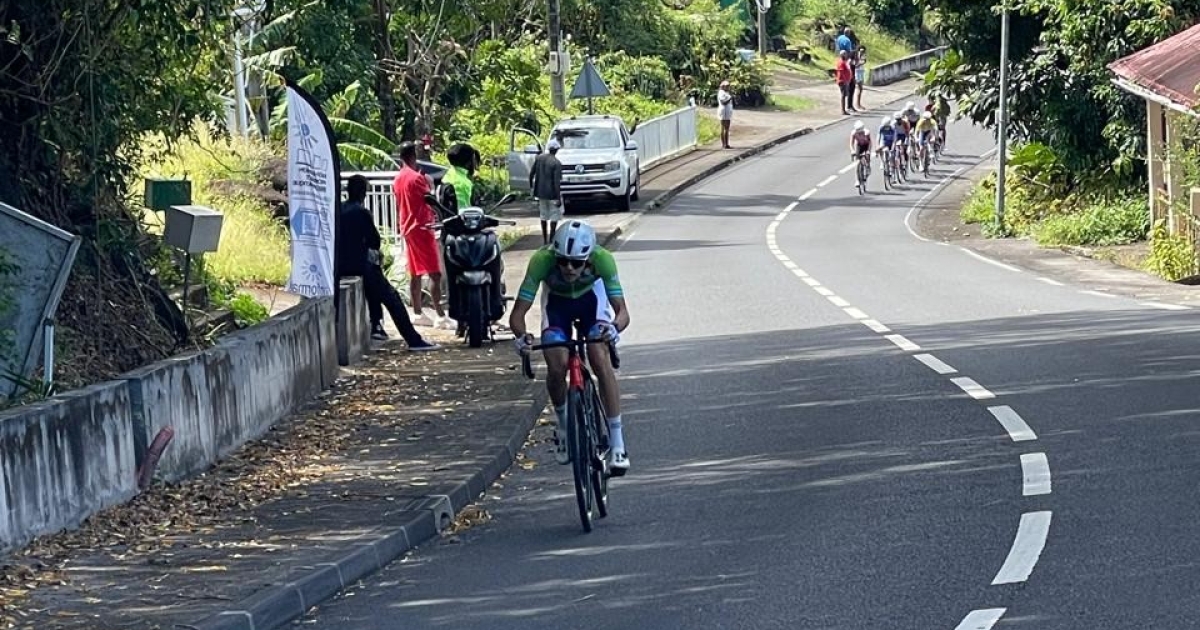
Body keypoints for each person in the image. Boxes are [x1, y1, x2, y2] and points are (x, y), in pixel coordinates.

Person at [509, 220, 631, 473]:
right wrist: (522, 336)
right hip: (557, 307)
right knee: (557, 364)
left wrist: (614, 328)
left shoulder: (603, 259)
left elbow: (621, 311)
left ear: (588, 259)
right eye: (563, 261)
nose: (568, 268)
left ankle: (618, 444)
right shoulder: (541, 261)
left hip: (591, 301)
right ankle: (564, 426)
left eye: (576, 263)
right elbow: (518, 313)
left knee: (599, 356)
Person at [337, 175, 439, 351]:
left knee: (374, 287)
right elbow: (375, 242)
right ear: (363, 193)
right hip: (359, 264)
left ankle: (377, 325)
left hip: (340, 265)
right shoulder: (361, 212)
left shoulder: (339, 209)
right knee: (392, 298)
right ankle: (413, 340)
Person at [392, 141, 452, 330]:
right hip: (422, 227)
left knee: (415, 273)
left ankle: (417, 312)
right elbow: (429, 199)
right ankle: (440, 316)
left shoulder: (398, 178)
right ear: (414, 155)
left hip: (408, 227)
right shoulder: (417, 179)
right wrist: (431, 186)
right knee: (434, 273)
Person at [530, 138, 564, 245]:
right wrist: (558, 198)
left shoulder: (539, 158)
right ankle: (551, 239)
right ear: (556, 150)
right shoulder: (557, 163)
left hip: (540, 193)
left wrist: (532, 188)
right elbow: (556, 183)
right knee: (554, 216)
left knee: (543, 215)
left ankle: (545, 240)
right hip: (552, 194)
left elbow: (531, 174)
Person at [442, 142, 477, 214]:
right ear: (468, 162)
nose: (475, 163)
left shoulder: (448, 174)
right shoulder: (463, 183)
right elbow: (466, 211)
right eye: (473, 159)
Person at [835, 51, 854, 115]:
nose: (846, 55)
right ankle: (843, 110)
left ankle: (844, 109)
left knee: (845, 95)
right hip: (842, 81)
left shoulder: (845, 62)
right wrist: (846, 81)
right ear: (842, 55)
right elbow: (841, 73)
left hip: (846, 81)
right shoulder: (841, 62)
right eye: (845, 54)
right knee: (843, 95)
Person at [716, 80, 734, 149]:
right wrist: (730, 98)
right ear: (723, 86)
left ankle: (727, 143)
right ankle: (724, 144)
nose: (728, 87)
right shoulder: (721, 93)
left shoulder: (726, 93)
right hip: (723, 111)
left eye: (728, 86)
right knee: (723, 127)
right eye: (726, 86)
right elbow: (724, 102)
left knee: (727, 128)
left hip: (727, 111)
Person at [854, 45, 868, 110]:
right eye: (861, 51)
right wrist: (860, 63)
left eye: (863, 51)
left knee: (861, 89)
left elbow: (864, 61)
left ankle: (858, 104)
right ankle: (857, 104)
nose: (863, 52)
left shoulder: (863, 56)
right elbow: (856, 65)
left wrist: (862, 62)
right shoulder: (856, 55)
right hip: (857, 72)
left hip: (861, 71)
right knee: (859, 88)